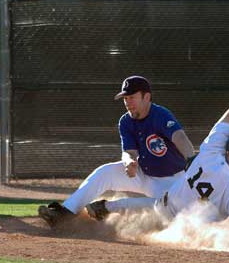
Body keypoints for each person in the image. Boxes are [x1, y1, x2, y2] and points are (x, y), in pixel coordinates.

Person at [86, 104, 229, 247]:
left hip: (163, 207)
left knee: (142, 209)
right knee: (145, 216)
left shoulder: (211, 150)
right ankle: (105, 209)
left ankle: (103, 208)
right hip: (181, 229)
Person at [38, 75, 195, 226]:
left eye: (132, 97)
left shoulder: (160, 115)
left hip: (172, 182)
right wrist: (129, 162)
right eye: (125, 98)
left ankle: (106, 208)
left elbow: (179, 137)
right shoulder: (126, 121)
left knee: (167, 207)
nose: (127, 102)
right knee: (105, 172)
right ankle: (64, 214)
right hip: (143, 174)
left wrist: (191, 158)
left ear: (146, 97)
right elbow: (129, 151)